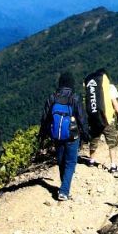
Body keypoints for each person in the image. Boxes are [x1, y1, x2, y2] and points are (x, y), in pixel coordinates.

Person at [37, 71, 91, 201]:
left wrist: (42, 135)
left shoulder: (52, 97)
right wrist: (86, 135)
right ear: (71, 84)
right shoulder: (75, 98)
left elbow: (45, 119)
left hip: (57, 136)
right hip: (73, 135)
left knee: (61, 161)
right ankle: (64, 190)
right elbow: (82, 118)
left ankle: (64, 186)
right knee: (71, 162)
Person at [84, 68, 118, 177]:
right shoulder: (110, 87)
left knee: (94, 139)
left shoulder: (91, 87)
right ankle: (113, 166)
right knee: (112, 142)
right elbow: (115, 103)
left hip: (94, 119)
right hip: (107, 120)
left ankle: (91, 160)